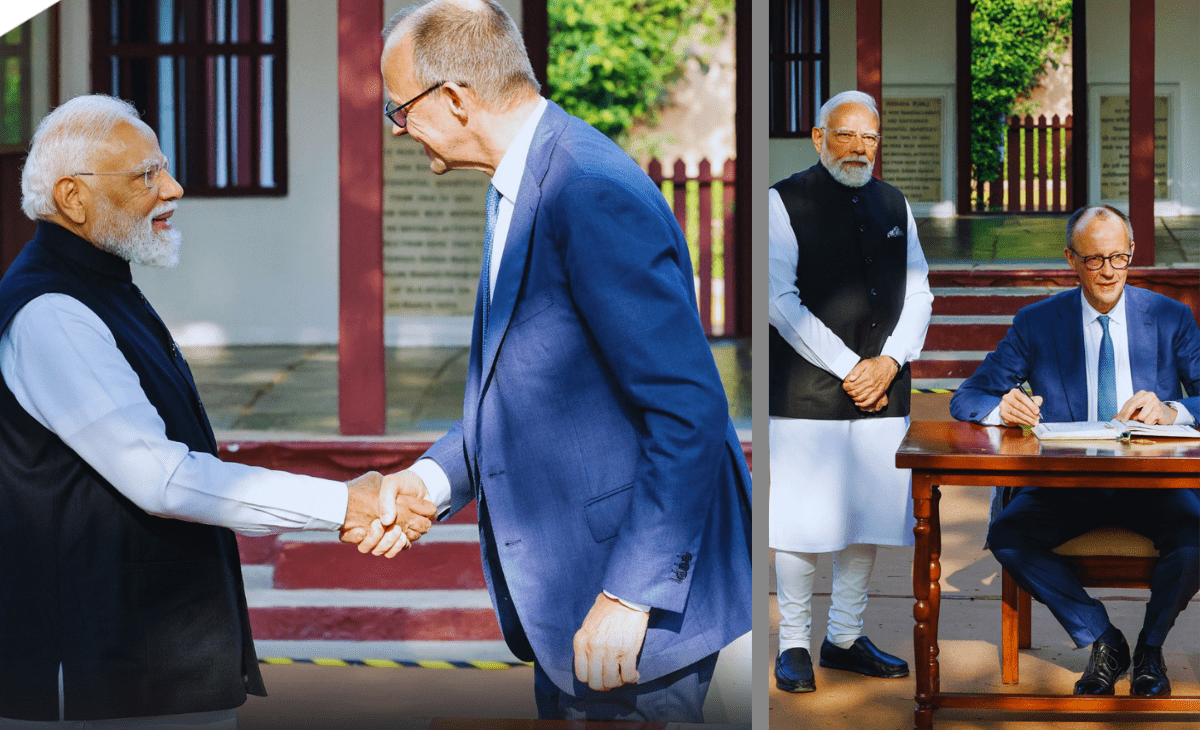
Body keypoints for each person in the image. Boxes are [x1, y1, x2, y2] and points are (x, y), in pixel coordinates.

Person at [364, 0, 752, 722]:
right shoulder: (527, 180)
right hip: (573, 604)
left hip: (628, 615)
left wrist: (630, 593)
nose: (398, 130)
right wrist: (428, 480)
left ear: (455, 100)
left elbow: (689, 408)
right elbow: (527, 393)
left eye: (399, 110)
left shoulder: (587, 189)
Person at [0, 94, 436, 727]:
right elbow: (164, 478)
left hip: (146, 660)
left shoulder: (101, 286)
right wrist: (346, 504)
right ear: (73, 197)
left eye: (165, 168)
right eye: (147, 175)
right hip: (101, 671)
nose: (172, 188)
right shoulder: (53, 312)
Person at [950, 205, 1200, 697]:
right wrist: (1006, 407)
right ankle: (1103, 640)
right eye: (1094, 260)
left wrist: (1173, 411)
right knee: (1008, 534)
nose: (1109, 271)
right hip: (1068, 484)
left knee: (1197, 535)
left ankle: (1150, 646)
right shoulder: (1038, 322)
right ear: (1070, 259)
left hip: (1153, 484)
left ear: (1131, 255)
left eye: (1119, 258)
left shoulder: (1170, 318)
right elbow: (968, 397)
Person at [768, 89, 933, 693]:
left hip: (883, 386)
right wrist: (850, 367)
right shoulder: (782, 201)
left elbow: (920, 292)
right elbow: (779, 302)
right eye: (846, 135)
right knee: (800, 522)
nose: (860, 148)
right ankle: (792, 644)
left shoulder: (895, 201)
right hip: (807, 390)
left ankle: (843, 637)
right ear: (819, 138)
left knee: (866, 514)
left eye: (870, 137)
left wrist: (888, 362)